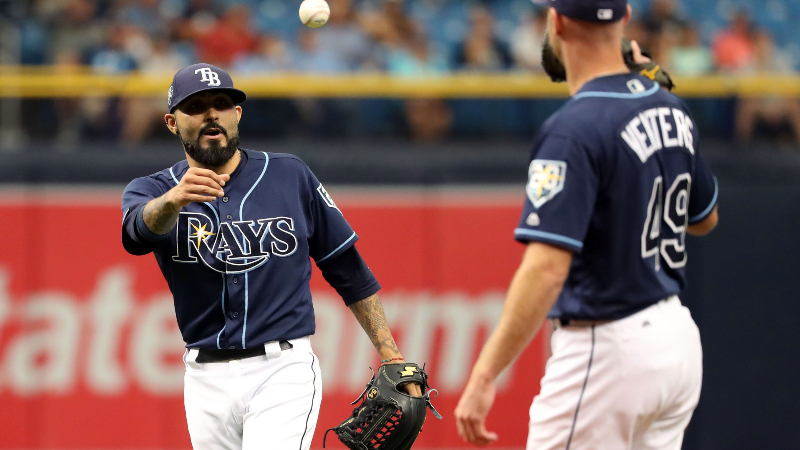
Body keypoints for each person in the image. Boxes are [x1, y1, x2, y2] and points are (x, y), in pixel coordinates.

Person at [455, 1, 719, 449]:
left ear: (556, 23)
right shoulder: (670, 102)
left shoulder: (572, 130)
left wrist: (484, 373)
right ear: (625, 18)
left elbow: (545, 270)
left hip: (609, 348)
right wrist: (655, 89)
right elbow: (705, 219)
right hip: (676, 341)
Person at [120, 63, 421, 450]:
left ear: (238, 114)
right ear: (172, 123)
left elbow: (347, 269)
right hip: (203, 376)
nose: (212, 113)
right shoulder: (154, 190)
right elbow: (136, 234)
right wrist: (173, 201)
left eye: (223, 103)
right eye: (196, 106)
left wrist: (390, 353)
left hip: (281, 368)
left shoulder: (288, 175)